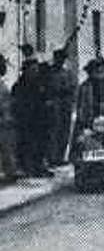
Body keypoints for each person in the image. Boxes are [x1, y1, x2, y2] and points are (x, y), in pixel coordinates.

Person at [12, 48, 52, 177]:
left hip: (39, 120)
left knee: (41, 144)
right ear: (26, 71)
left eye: (36, 70)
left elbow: (44, 100)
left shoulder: (39, 84)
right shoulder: (19, 86)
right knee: (27, 145)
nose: (35, 72)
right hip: (26, 121)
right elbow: (17, 105)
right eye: (33, 70)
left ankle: (39, 167)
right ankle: (28, 168)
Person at [44, 48, 77, 167]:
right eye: (59, 58)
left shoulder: (67, 73)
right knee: (54, 131)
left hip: (65, 104)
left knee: (64, 131)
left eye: (62, 59)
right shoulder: (49, 73)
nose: (60, 61)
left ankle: (60, 156)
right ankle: (52, 157)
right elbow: (47, 88)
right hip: (54, 104)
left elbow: (73, 87)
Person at [0, 54, 20, 183]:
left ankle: (10, 171)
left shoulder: (2, 84)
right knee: (7, 146)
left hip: (5, 120)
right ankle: (10, 171)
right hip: (3, 121)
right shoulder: (1, 86)